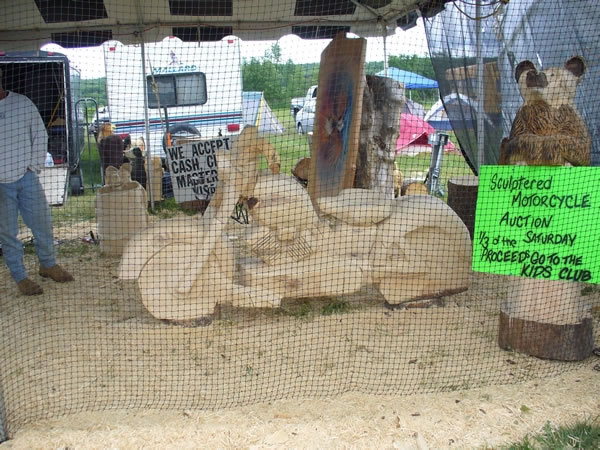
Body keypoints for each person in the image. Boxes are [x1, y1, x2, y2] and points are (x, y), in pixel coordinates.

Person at [0, 68, 74, 295]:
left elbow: (40, 135)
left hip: (26, 175)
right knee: (8, 233)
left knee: (42, 221)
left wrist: (34, 165)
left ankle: (48, 264)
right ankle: (20, 277)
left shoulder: (22, 103)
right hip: (1, 184)